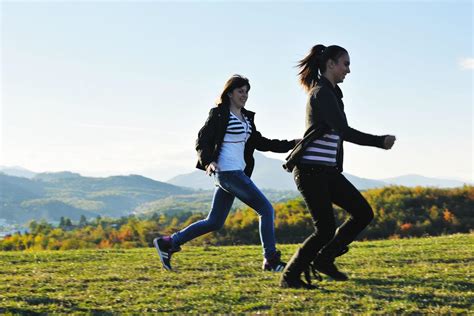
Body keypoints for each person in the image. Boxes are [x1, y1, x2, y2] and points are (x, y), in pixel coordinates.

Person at [154, 74, 299, 272]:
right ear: (229, 93)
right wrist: (208, 161)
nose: (245, 95)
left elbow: (261, 142)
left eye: (247, 92)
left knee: (214, 221)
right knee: (266, 209)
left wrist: (291, 144)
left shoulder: (247, 118)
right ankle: (271, 260)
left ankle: (168, 242)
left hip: (237, 173)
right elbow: (202, 140)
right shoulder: (219, 114)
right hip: (227, 172)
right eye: (240, 91)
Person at [280, 45, 396, 288]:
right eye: (345, 63)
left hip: (327, 171)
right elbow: (343, 131)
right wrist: (379, 141)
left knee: (363, 213)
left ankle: (324, 258)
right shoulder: (321, 92)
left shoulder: (332, 93)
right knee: (324, 229)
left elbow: (337, 132)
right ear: (331, 64)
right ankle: (290, 277)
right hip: (310, 170)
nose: (349, 70)